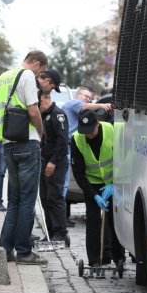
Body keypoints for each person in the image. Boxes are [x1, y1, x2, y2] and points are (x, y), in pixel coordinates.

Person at [0, 50, 47, 264]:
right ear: (35, 62)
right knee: (27, 199)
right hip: (27, 141)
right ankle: (24, 251)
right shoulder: (26, 76)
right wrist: (41, 133)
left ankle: (5, 248)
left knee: (14, 199)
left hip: (7, 142)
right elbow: (33, 111)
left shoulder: (2, 77)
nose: (39, 74)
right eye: (40, 70)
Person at [71, 110, 124, 266]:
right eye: (84, 132)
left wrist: (114, 184)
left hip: (113, 182)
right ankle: (94, 260)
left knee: (115, 220)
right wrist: (94, 195)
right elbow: (79, 174)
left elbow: (124, 160)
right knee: (93, 221)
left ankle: (118, 257)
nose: (88, 135)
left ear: (98, 124)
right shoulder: (76, 139)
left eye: (90, 131)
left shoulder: (112, 130)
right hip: (91, 184)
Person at [62, 86, 113, 225]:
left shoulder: (108, 130)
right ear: (78, 95)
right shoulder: (73, 104)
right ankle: (62, 219)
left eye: (90, 98)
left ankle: (63, 218)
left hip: (106, 182)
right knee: (64, 186)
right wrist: (102, 104)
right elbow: (79, 173)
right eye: (86, 96)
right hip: (70, 148)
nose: (88, 100)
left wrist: (114, 184)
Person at [38, 93, 69, 246]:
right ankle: (50, 232)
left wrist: (53, 161)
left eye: (39, 101)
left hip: (55, 163)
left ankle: (60, 233)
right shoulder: (44, 116)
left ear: (46, 98)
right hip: (44, 161)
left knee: (54, 197)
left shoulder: (58, 115)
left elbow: (63, 141)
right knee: (45, 198)